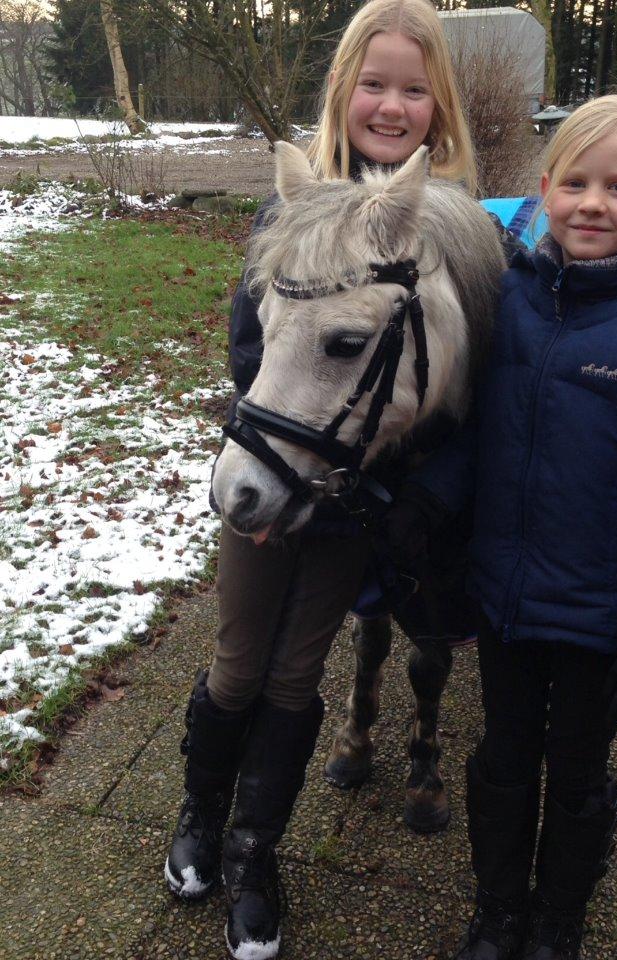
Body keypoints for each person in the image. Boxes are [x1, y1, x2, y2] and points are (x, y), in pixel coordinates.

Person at [164, 3, 492, 958]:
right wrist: (277, 460)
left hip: (360, 500)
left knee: (299, 673)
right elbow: (252, 350)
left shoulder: (456, 226)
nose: (390, 106)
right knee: (235, 665)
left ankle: (254, 855)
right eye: (373, 83)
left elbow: (470, 384)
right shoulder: (293, 205)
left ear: (440, 108)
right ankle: (198, 816)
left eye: (414, 89)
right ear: (343, 90)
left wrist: (401, 497)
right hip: (276, 467)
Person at [396, 93, 617, 960]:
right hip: (504, 597)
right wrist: (431, 504)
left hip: (597, 617)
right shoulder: (514, 299)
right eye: (575, 181)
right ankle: (499, 910)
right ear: (544, 188)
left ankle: (558, 919)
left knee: (574, 773)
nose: (593, 203)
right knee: (503, 757)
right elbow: (483, 429)